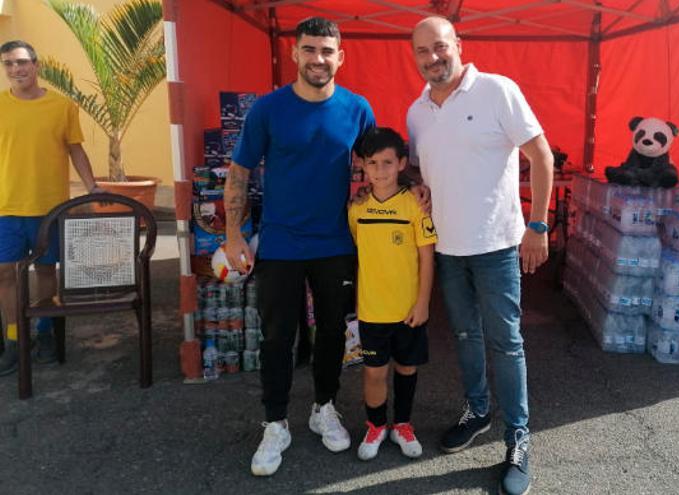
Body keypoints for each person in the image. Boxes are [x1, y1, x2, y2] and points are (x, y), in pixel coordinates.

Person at [406, 17, 555, 495]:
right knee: (466, 337)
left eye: (440, 47)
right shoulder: (417, 112)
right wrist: (421, 190)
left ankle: (518, 438)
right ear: (416, 58)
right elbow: (421, 170)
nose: (433, 57)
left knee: (506, 343)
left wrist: (538, 224)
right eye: (423, 51)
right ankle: (477, 411)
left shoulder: (497, 90)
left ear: (458, 46)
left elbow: (541, 155)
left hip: (495, 246)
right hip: (448, 248)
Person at [223, 18, 375, 476]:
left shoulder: (357, 108)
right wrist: (232, 234)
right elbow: (239, 172)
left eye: (327, 51)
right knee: (277, 337)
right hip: (281, 243)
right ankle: (275, 423)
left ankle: (324, 407)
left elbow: (378, 166)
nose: (318, 59)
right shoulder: (268, 110)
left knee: (331, 333)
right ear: (294, 54)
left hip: (335, 243)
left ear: (340, 57)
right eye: (309, 50)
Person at [0, 40, 102, 377]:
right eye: (9, 65)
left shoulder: (62, 106)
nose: (16, 70)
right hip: (6, 207)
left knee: (46, 271)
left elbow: (75, 150)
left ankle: (44, 331)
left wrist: (93, 188)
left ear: (36, 64)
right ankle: (15, 339)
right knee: (6, 273)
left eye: (22, 62)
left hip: (50, 208)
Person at [347, 127, 436, 461]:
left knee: (407, 368)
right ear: (363, 167)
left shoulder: (415, 204)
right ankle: (375, 426)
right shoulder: (356, 209)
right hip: (372, 311)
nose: (380, 170)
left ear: (401, 163)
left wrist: (423, 302)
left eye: (387, 162)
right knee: (373, 372)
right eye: (373, 163)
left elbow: (427, 256)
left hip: (408, 310)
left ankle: (402, 424)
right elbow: (358, 251)